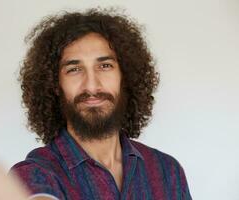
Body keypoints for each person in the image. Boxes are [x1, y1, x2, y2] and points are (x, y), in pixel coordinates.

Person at [11, 8, 192, 200]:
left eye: (105, 66)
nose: (92, 85)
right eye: (74, 69)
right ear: (55, 85)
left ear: (125, 76)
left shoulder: (167, 171)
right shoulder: (34, 175)